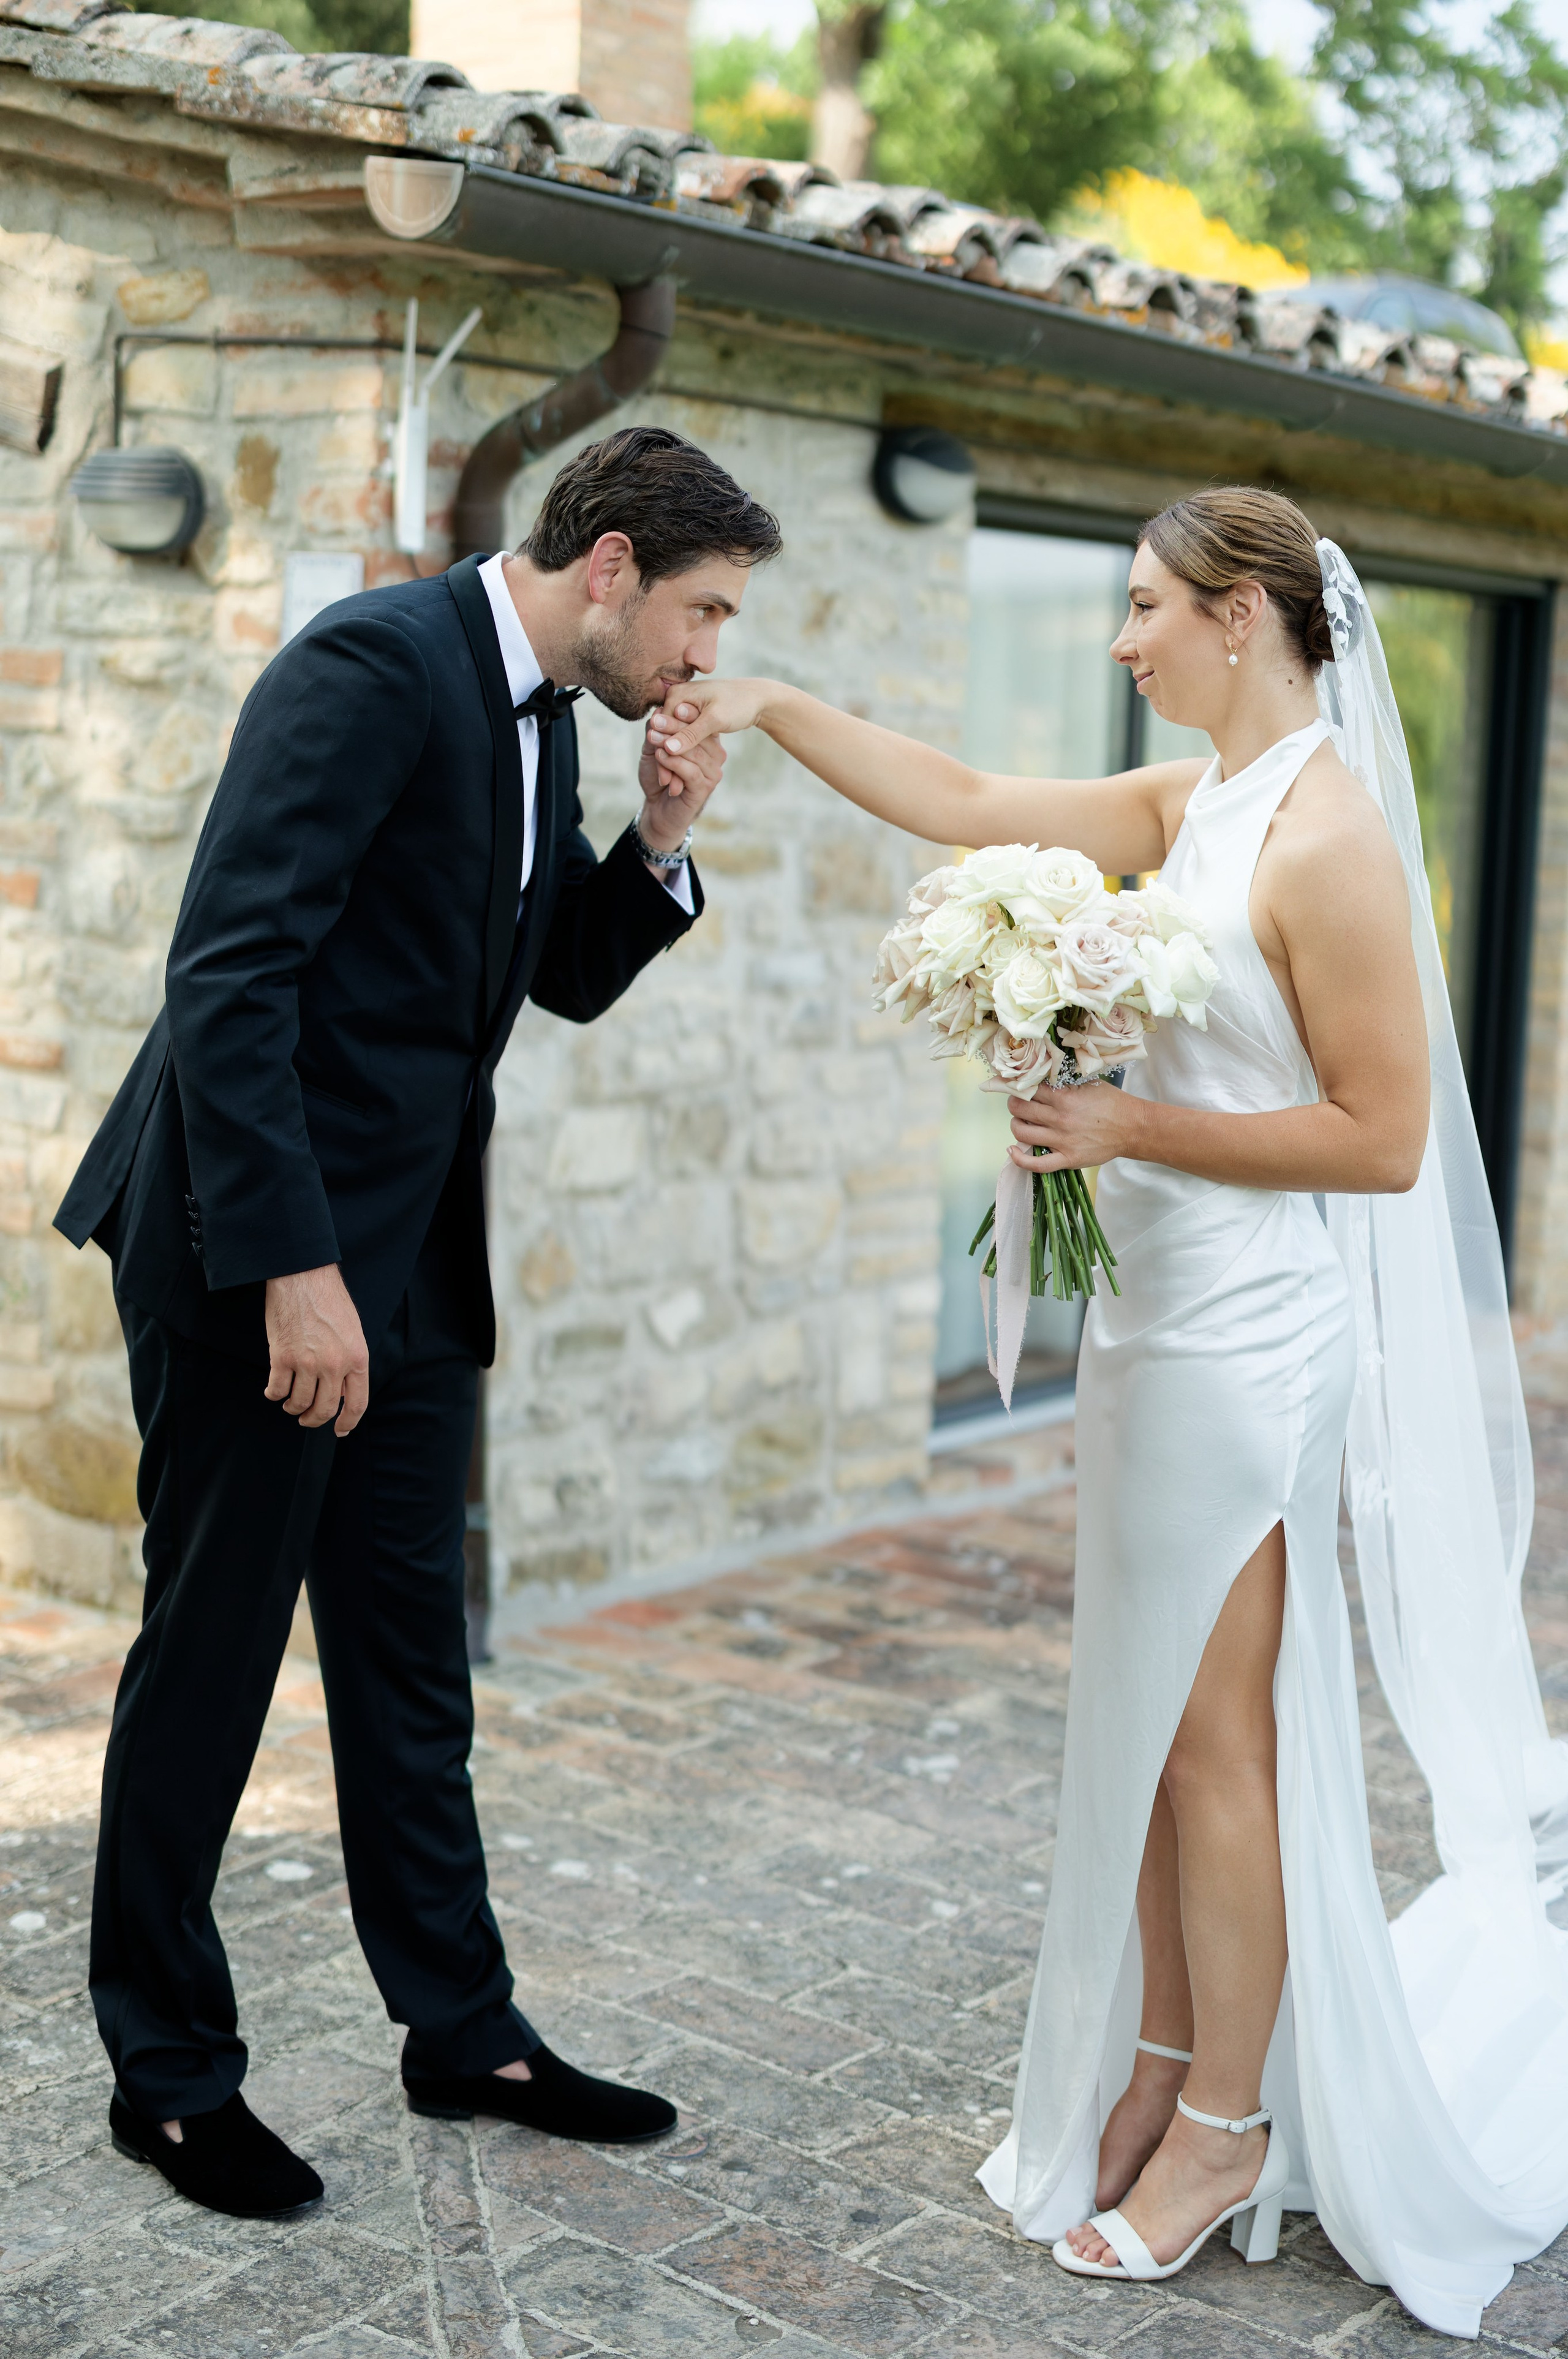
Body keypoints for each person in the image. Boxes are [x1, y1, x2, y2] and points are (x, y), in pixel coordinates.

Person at [647, 486, 1568, 2337]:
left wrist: (1128, 1119)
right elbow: (973, 804)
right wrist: (774, 711)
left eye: (1147, 607)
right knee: (1156, 1728)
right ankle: (1158, 2062)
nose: (1125, 638)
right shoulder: (1192, 805)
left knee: (1217, 1739)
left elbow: (1382, 1138)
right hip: (1153, 1325)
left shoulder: (1328, 844)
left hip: (1251, 1334)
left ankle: (1225, 2121)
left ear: (1245, 615)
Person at [56, 425, 781, 2219]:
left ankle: (464, 2030)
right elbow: (230, 968)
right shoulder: (375, 668)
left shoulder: (548, 728)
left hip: (412, 1273)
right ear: (608, 562)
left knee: (407, 1668)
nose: (708, 658)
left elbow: (547, 981)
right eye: (702, 613)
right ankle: (166, 2075)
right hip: (259, 1240)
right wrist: (291, 1263)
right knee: (214, 1659)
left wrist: (660, 841)